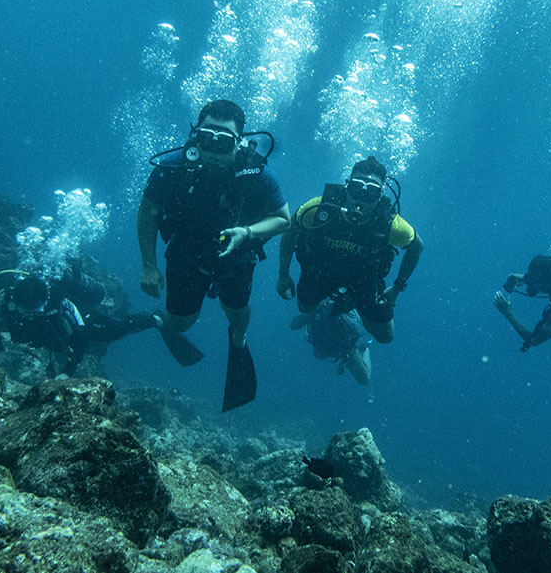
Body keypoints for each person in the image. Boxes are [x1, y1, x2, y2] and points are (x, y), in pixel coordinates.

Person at [137, 99, 290, 411]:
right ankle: (160, 320)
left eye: (224, 142)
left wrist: (247, 233)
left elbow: (283, 219)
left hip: (237, 255)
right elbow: (148, 212)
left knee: (237, 313)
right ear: (195, 134)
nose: (213, 150)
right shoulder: (173, 167)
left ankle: (239, 340)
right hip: (186, 254)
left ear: (239, 142)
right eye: (207, 138)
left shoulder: (256, 174)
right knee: (180, 325)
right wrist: (149, 266)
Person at [277, 155, 423, 344]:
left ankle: (348, 306)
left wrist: (397, 287)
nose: (361, 197)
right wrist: (283, 275)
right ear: (347, 187)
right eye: (356, 187)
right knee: (304, 307)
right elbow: (290, 231)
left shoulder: (389, 223)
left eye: (371, 191)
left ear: (379, 196)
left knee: (385, 336)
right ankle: (328, 308)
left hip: (363, 280)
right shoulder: (320, 209)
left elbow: (416, 246)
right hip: (321, 271)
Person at [0, 274, 160, 378]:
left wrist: (67, 372)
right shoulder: (5, 300)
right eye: (24, 311)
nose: (29, 316)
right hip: (46, 333)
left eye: (34, 312)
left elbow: (79, 340)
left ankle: (153, 319)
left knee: (114, 331)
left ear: (44, 304)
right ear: (15, 302)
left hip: (82, 317)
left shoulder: (58, 304)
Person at [290, 297, 373, 385]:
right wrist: (311, 313)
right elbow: (293, 325)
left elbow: (358, 332)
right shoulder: (315, 310)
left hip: (344, 347)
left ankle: (365, 349)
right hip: (324, 344)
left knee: (364, 378)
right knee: (318, 354)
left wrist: (338, 314)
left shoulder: (339, 307)